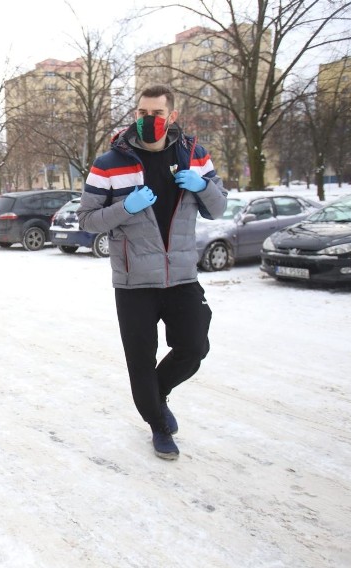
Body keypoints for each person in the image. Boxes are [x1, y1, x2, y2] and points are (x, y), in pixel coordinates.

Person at [76, 84, 227, 460]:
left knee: (194, 347)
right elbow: (88, 221)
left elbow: (219, 208)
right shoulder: (109, 163)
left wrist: (203, 184)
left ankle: (156, 395)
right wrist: (126, 206)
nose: (148, 121)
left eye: (156, 114)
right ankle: (159, 426)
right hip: (133, 282)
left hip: (181, 276)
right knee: (140, 360)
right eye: (142, 113)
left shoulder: (195, 155)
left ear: (171, 116)